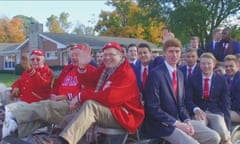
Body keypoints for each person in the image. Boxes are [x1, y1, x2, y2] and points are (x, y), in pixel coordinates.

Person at [3, 42, 144, 144]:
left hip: (123, 115)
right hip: (89, 106)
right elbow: (82, 81)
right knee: (49, 107)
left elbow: (107, 97)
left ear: (121, 55)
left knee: (84, 105)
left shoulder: (126, 73)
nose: (107, 57)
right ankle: (12, 126)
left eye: (111, 54)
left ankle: (63, 140)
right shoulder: (102, 69)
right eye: (105, 54)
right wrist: (81, 66)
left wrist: (76, 96)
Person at [1, 43, 96, 139]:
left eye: (77, 55)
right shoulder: (68, 69)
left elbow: (86, 90)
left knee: (45, 106)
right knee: (42, 116)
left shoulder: (90, 70)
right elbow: (56, 83)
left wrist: (64, 97)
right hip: (53, 102)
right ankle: (12, 131)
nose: (74, 58)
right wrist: (53, 94)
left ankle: (8, 113)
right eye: (72, 55)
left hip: (72, 104)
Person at [141, 38, 220, 144]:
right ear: (164, 53)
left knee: (214, 137)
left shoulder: (180, 74)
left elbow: (181, 105)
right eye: (171, 51)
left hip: (180, 120)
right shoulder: (155, 74)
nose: (174, 55)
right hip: (162, 124)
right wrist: (178, 124)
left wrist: (187, 121)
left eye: (177, 51)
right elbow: (153, 107)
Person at [185, 52, 231, 144]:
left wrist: (228, 125)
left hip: (215, 112)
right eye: (203, 63)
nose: (206, 66)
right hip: (199, 112)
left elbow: (225, 102)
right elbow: (188, 99)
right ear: (199, 65)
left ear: (214, 64)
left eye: (209, 63)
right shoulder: (192, 78)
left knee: (224, 134)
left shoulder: (221, 80)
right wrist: (195, 109)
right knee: (203, 134)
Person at [224, 55, 240, 123]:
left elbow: (238, 102)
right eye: (226, 66)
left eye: (231, 66)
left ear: (238, 66)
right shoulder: (224, 78)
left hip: (237, 111)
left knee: (220, 116)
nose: (228, 68)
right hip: (227, 108)